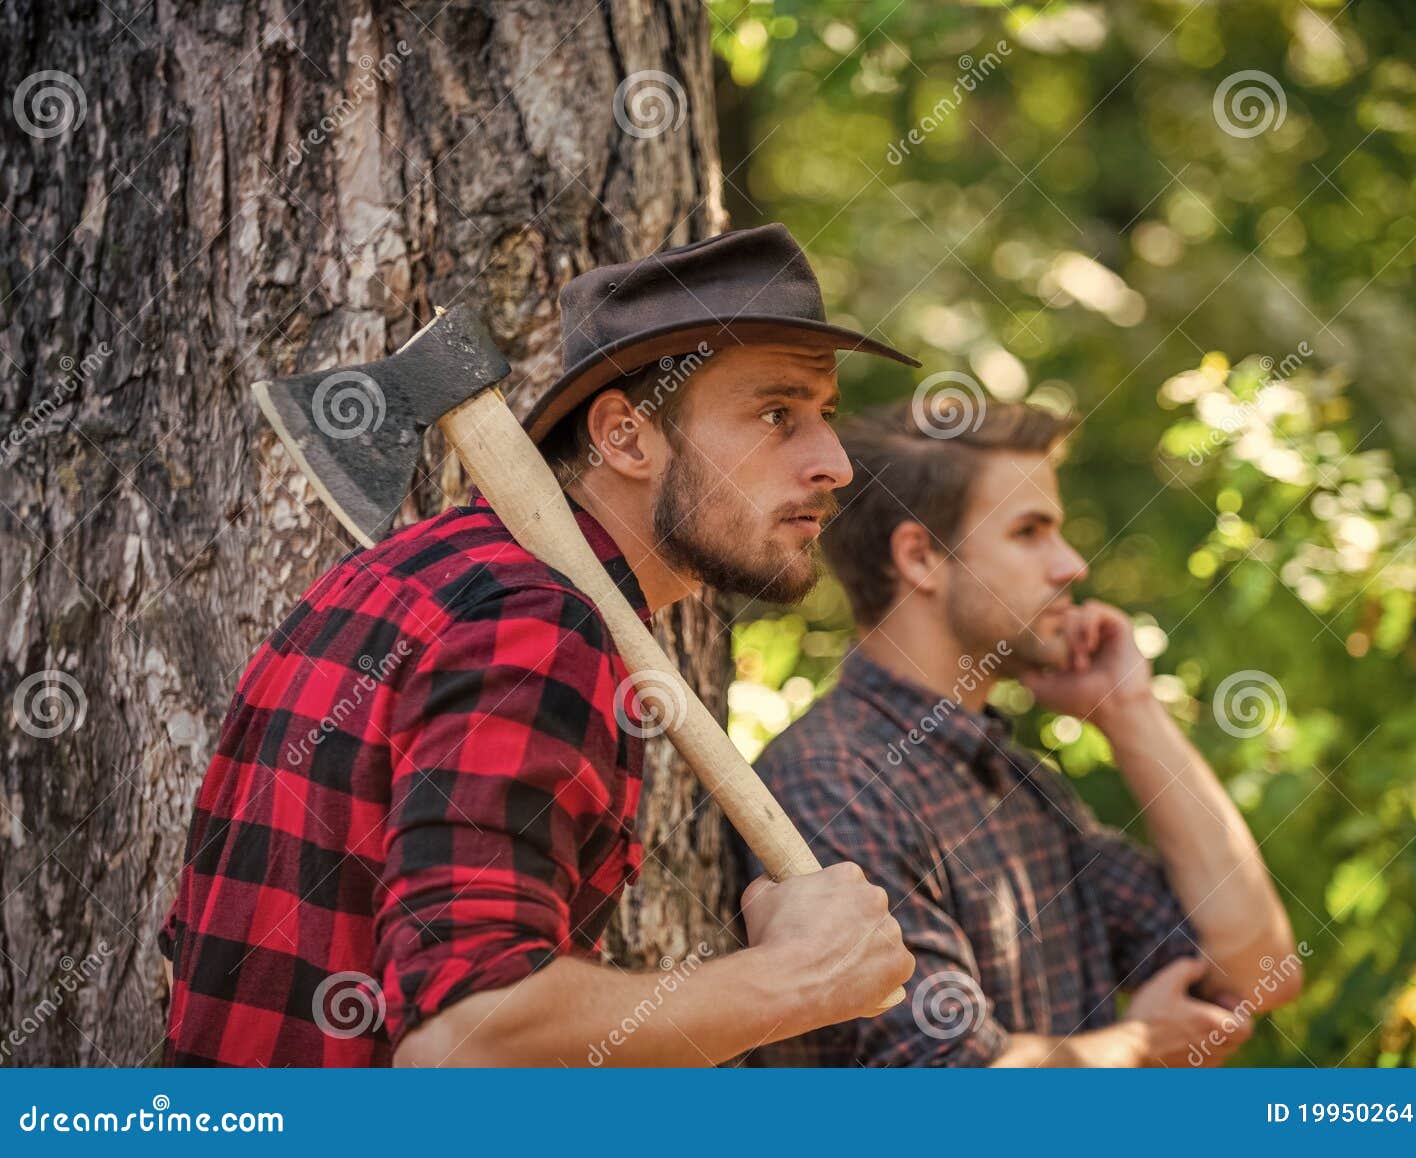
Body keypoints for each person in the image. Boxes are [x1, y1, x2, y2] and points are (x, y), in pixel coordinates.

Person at [160, 225, 916, 1066]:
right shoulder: (532, 626)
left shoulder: (410, 581)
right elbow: (467, 1046)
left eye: (827, 416)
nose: (836, 463)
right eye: (777, 413)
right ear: (626, 438)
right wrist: (799, 979)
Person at [737, 399, 1302, 1066]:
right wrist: (1139, 1049)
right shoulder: (831, 780)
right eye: (1030, 531)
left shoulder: (1024, 786)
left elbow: (1254, 970)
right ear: (921, 557)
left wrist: (1130, 711)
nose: (1071, 566)